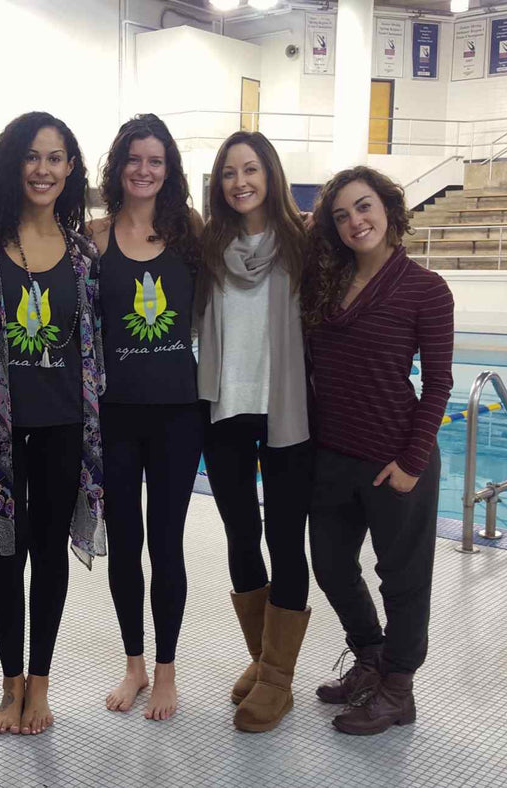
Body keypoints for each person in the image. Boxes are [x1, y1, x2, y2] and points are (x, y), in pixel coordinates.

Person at [0, 111, 105, 737]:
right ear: (14, 165)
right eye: (33, 156)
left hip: (64, 424)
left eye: (56, 157)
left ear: (71, 169)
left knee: (49, 555)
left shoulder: (85, 256)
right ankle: (9, 682)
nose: (43, 168)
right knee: (4, 555)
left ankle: (41, 684)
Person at [301, 166, 454, 736]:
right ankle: (369, 656)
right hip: (334, 456)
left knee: (404, 579)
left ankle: (397, 690)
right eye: (341, 215)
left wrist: (413, 462)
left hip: (396, 460)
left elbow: (438, 382)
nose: (354, 222)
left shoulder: (425, 289)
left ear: (389, 208)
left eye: (363, 207)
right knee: (333, 567)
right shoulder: (325, 282)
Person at [86, 114, 202, 721]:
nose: (144, 169)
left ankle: (166, 672)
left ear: (169, 170)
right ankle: (132, 664)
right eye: (134, 159)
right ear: (119, 166)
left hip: (180, 414)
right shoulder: (94, 237)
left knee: (167, 544)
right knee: (126, 544)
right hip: (115, 415)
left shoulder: (191, 234)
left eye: (156, 161)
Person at [197, 131, 313, 733]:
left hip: (287, 412)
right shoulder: (210, 246)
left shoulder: (303, 243)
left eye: (250, 169)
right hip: (225, 411)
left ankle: (278, 680)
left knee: (287, 540)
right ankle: (263, 659)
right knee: (242, 535)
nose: (239, 181)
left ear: (270, 174)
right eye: (227, 173)